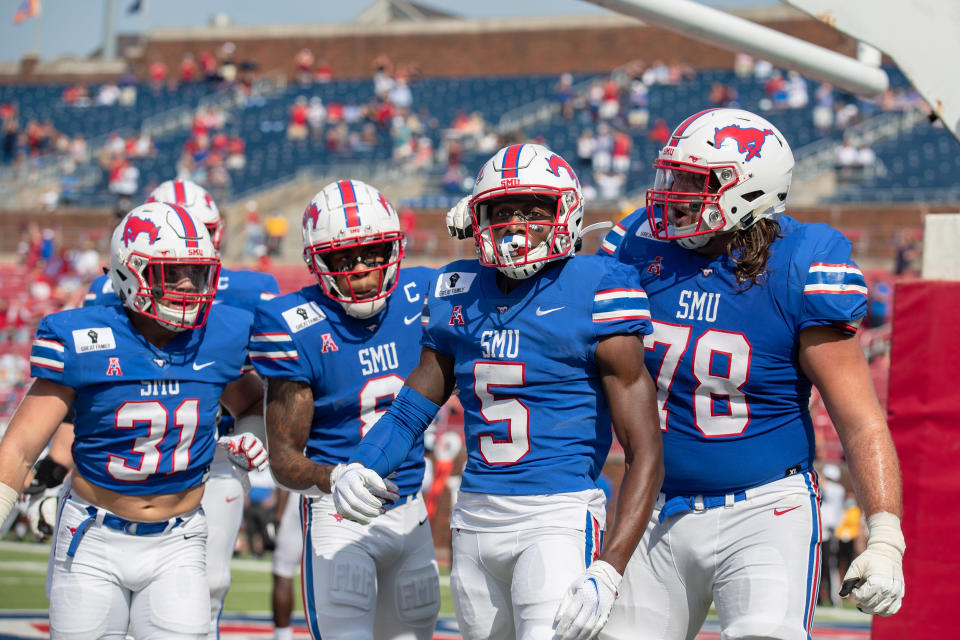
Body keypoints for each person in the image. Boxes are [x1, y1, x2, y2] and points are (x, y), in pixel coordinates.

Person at [333, 144, 664, 640]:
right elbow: (409, 411)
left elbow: (644, 450)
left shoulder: (598, 286)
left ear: (567, 212)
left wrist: (611, 566)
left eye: (534, 210)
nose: (515, 224)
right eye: (501, 210)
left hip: (557, 515)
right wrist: (361, 463)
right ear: (477, 216)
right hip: (473, 518)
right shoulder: (455, 288)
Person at [597, 107, 905, 639]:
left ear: (751, 190)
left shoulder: (801, 263)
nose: (676, 194)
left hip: (764, 510)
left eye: (697, 181)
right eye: (675, 176)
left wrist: (885, 534)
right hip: (652, 505)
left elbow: (858, 419)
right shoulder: (637, 245)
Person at [0, 203, 268, 639]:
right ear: (130, 274)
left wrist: (254, 435)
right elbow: (19, 447)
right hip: (93, 536)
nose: (187, 285)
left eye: (195, 273)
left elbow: (252, 405)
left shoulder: (220, 335)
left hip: (179, 540)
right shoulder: (86, 337)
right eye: (172, 273)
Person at [83, 178, 280, 638]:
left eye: (202, 230)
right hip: (126, 458)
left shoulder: (250, 291)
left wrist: (258, 434)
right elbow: (84, 390)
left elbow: (268, 385)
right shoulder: (107, 291)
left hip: (216, 450)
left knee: (207, 586)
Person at [251, 179, 441, 640]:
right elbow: (283, 458)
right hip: (339, 514)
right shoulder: (293, 325)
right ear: (319, 263)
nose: (359, 269)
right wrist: (331, 478)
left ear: (393, 249)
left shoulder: (425, 295)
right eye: (342, 258)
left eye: (372, 253)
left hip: (411, 511)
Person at [270, 489, 304, 640]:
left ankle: (282, 635)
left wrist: (278, 515)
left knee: (283, 571)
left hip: (300, 495)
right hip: (332, 497)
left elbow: (285, 474)